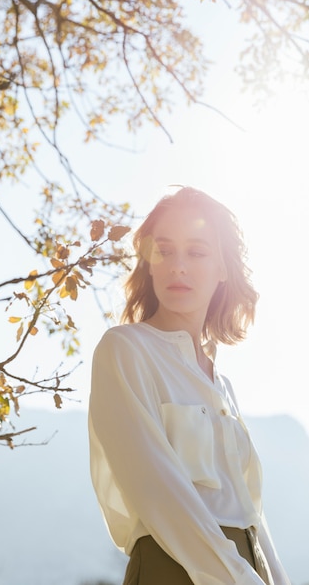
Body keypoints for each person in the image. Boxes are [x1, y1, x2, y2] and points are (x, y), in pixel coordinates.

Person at [88, 187, 290, 585]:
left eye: (196, 252)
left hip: (248, 569)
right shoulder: (125, 350)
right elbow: (159, 492)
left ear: (223, 268)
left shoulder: (222, 383)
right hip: (173, 568)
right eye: (163, 251)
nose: (177, 266)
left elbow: (251, 514)